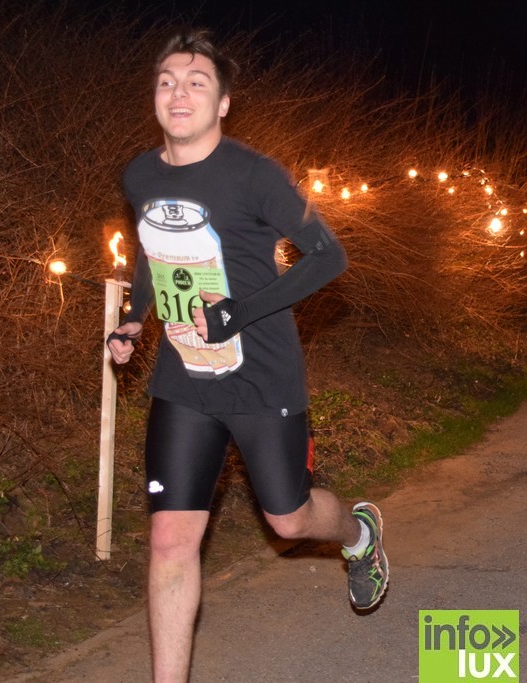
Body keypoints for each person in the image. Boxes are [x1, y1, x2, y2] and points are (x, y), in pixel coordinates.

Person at [106, 29, 388, 682]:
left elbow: (329, 256)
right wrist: (136, 318)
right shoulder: (140, 174)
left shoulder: (255, 174)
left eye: (196, 82)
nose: (179, 93)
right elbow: (151, 252)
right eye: (167, 81)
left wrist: (237, 311)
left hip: (261, 374)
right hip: (184, 378)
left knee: (288, 519)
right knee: (170, 541)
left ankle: (359, 534)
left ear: (224, 103)